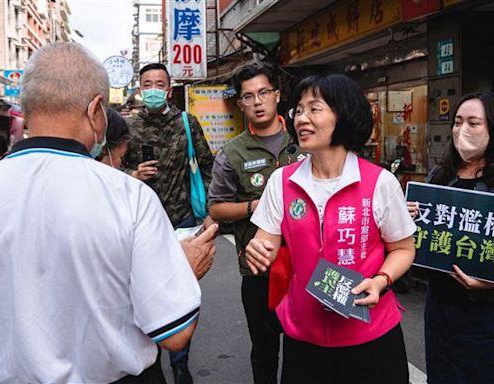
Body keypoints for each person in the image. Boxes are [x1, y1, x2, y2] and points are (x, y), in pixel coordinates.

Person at [0, 42, 217, 384]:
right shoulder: (128, 195)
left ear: (26, 106)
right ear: (95, 110)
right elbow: (174, 334)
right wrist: (182, 269)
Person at [245, 74, 416, 384]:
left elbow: (403, 248)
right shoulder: (282, 182)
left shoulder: (379, 182)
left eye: (315, 108)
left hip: (372, 337)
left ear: (344, 114)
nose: (301, 118)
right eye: (298, 110)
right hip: (304, 338)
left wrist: (380, 281)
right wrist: (258, 250)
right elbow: (265, 241)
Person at [209, 62, 304, 383]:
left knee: (304, 347)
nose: (258, 101)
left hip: (308, 265)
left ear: (278, 95)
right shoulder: (232, 153)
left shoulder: (305, 139)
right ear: (241, 104)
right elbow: (217, 209)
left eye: (264, 92)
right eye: (248, 96)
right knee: (264, 350)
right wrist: (255, 206)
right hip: (259, 269)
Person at [123, 62, 214, 384]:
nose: (153, 89)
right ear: (139, 88)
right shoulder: (127, 128)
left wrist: (207, 210)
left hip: (183, 220)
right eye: (147, 83)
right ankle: (151, 360)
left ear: (169, 89)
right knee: (145, 292)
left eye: (159, 84)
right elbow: (107, 172)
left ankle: (180, 363)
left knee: (182, 293)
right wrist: (133, 174)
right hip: (141, 225)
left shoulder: (187, 123)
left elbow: (206, 164)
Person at [407, 91, 494, 384]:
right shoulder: (440, 175)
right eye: (457, 122)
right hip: (442, 310)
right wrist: (407, 219)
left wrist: (488, 284)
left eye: (473, 123)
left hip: (486, 317)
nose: (462, 130)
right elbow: (417, 243)